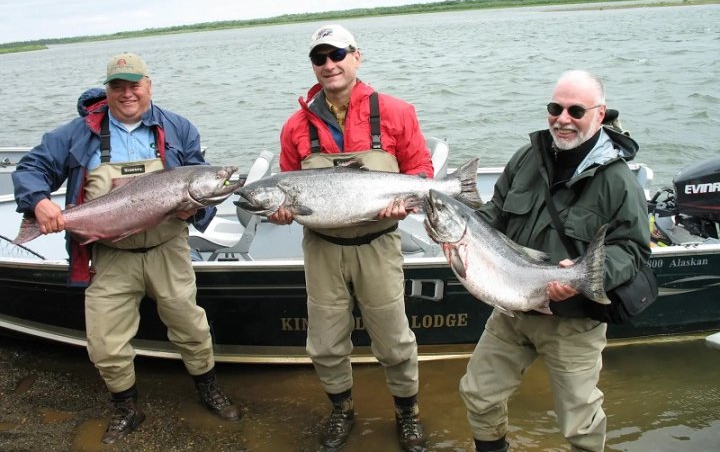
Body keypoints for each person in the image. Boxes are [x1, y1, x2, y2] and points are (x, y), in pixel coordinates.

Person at [12, 53, 239, 444]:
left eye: (135, 85)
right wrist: (39, 202)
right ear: (108, 90)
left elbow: (203, 182)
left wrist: (194, 211)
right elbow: (30, 168)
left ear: (149, 85)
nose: (127, 93)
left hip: (168, 248)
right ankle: (126, 406)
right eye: (118, 86)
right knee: (104, 340)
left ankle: (208, 387)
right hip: (110, 255)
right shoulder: (77, 134)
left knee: (190, 326)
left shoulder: (179, 128)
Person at [459, 70, 651, 451]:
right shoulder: (527, 157)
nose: (562, 119)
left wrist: (581, 278)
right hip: (512, 312)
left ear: (599, 115)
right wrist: (459, 233)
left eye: (575, 110)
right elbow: (494, 214)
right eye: (555, 108)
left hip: (573, 322)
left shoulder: (617, 180)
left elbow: (632, 249)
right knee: (478, 396)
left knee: (580, 425)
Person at [269, 24, 432, 451]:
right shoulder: (294, 127)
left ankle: (408, 414)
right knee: (324, 344)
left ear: (356, 56)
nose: (329, 65)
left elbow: (422, 174)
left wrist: (407, 203)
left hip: (379, 244)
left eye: (337, 54)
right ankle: (341, 410)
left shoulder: (397, 112)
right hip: (322, 249)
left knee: (395, 342)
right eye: (319, 58)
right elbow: (285, 186)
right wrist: (281, 213)